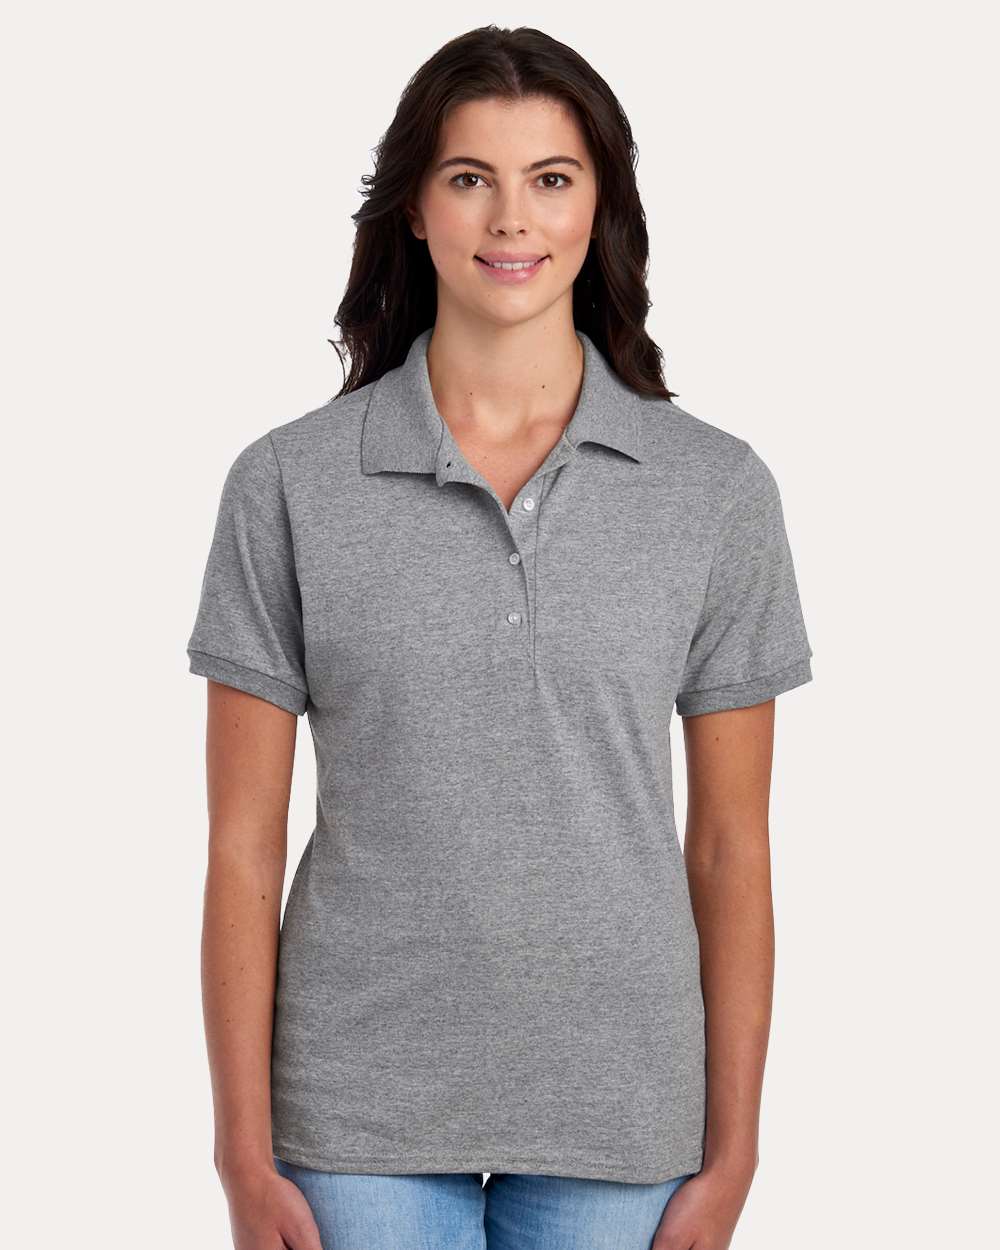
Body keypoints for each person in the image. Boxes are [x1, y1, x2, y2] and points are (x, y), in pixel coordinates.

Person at [187, 24, 814, 1250]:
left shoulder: (713, 490)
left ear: (600, 207)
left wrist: (736, 1148)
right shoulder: (289, 482)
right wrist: (239, 1153)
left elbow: (732, 847)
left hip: (624, 1110)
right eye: (470, 176)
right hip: (354, 1112)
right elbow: (241, 846)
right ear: (415, 209)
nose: (511, 217)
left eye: (551, 178)